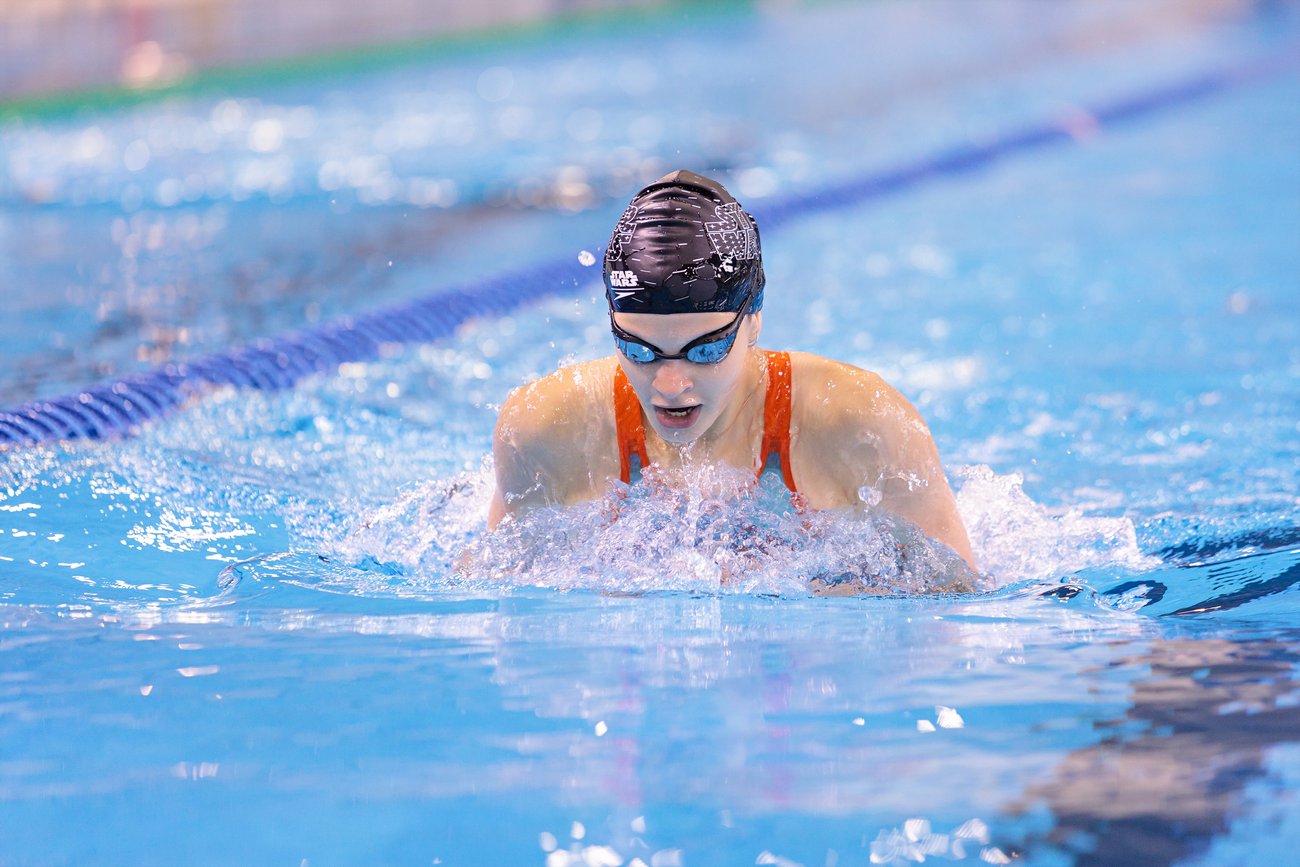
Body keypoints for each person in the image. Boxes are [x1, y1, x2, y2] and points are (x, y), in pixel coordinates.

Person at [487, 169, 975, 573]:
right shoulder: (546, 430)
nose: (670, 385)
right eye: (639, 350)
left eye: (705, 350)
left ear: (754, 319)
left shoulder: (860, 423)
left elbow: (954, 591)